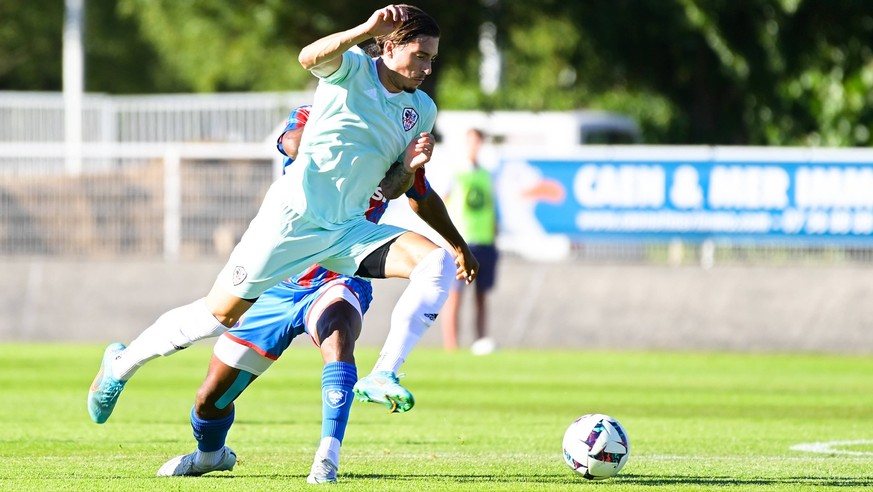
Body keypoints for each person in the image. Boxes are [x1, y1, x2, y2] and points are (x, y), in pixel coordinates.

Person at [89, 2, 468, 444]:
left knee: (436, 263)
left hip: (346, 229)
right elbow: (308, 57)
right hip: (292, 222)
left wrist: (410, 165)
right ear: (388, 47)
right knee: (219, 316)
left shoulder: (421, 109)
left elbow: (395, 187)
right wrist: (365, 27)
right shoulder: (352, 70)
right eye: (419, 55)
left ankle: (384, 373)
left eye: (432, 58)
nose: (426, 67)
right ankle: (121, 364)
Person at [154, 105, 472, 483]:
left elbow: (420, 192)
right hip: (280, 283)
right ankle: (209, 456)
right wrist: (343, 145)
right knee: (210, 399)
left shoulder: (395, 135)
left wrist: (457, 245)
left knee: (337, 335)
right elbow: (290, 142)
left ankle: (327, 458)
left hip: (341, 272)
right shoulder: (318, 113)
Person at [440, 128, 499, 355]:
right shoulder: (456, 172)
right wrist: (448, 237)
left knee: (482, 295)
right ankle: (452, 345)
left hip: (484, 240)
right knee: (455, 295)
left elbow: (491, 207)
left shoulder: (486, 174)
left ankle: (480, 341)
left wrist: (494, 235)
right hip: (461, 242)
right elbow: (442, 203)